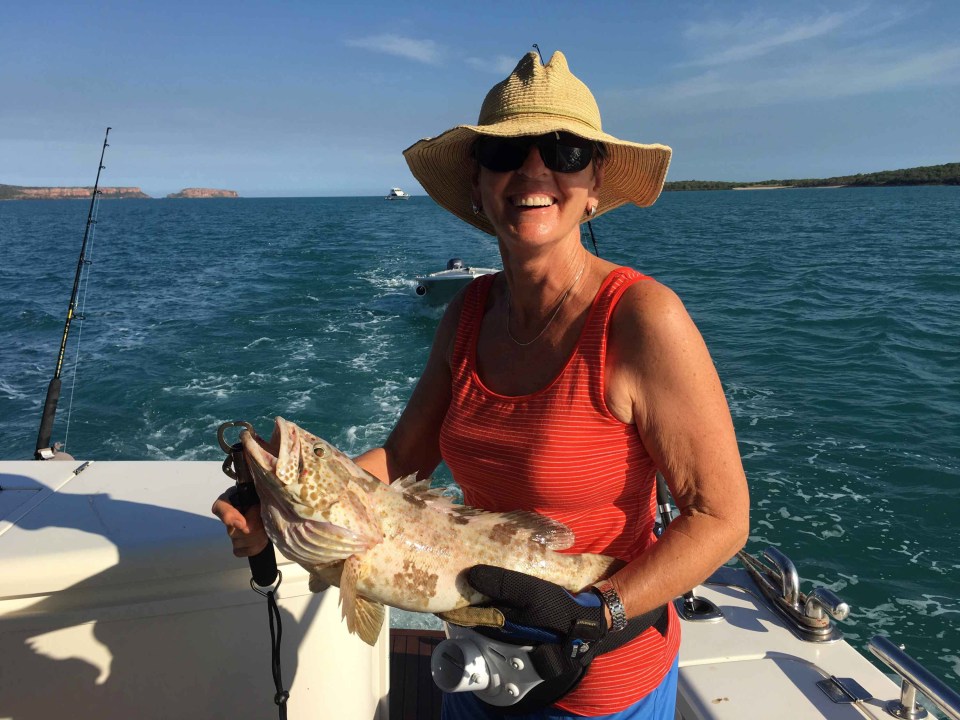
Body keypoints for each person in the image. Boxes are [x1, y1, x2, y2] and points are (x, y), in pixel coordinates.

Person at [213, 50, 750, 719]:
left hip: (601, 685)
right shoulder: (467, 315)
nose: (533, 170)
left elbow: (721, 519)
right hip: (477, 663)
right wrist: (293, 502)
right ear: (478, 182)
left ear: (594, 182)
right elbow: (405, 457)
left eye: (565, 150)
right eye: (506, 152)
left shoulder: (643, 319)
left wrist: (594, 610)